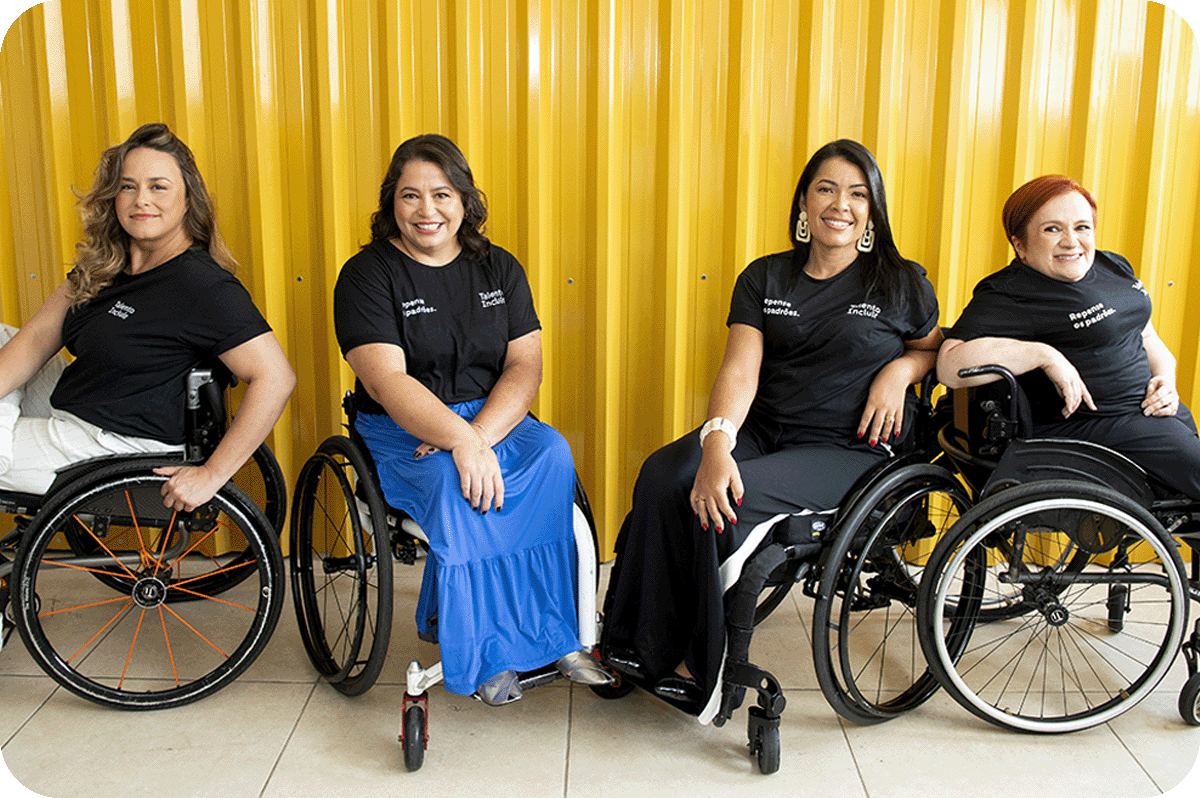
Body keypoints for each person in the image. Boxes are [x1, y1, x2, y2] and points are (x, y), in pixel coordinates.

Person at [601, 139, 942, 723]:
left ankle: (696, 667)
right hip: (763, 428)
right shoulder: (766, 277)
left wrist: (900, 371)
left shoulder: (899, 282)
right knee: (663, 475)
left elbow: (934, 349)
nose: (840, 205)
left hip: (849, 447)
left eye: (857, 194)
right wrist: (717, 443)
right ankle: (634, 642)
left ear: (872, 211)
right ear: (803, 203)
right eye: (826, 189)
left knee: (728, 499)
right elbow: (740, 368)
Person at [332, 133, 609, 705]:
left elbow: (525, 365)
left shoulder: (498, 268)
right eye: (410, 196)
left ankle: (554, 636)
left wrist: (476, 436)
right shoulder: (366, 275)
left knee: (552, 453)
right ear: (391, 203)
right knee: (454, 483)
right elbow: (387, 381)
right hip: (403, 426)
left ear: (464, 200)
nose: (427, 210)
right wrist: (457, 440)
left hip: (493, 418)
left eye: (442, 194)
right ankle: (485, 651)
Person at [0, 123, 295, 511]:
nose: (141, 200)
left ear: (188, 200)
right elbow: (37, 338)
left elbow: (276, 378)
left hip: (114, 441)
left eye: (158, 187)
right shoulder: (105, 267)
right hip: (78, 407)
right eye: (128, 186)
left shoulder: (202, 285)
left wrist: (212, 475)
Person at [938, 174, 1200, 500]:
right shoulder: (1011, 293)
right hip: (1099, 427)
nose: (1071, 242)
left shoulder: (1113, 265)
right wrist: (1043, 355)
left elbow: (1145, 335)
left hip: (1154, 416)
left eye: (1082, 227)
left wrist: (1165, 378)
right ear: (1020, 245)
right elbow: (949, 365)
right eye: (1052, 229)